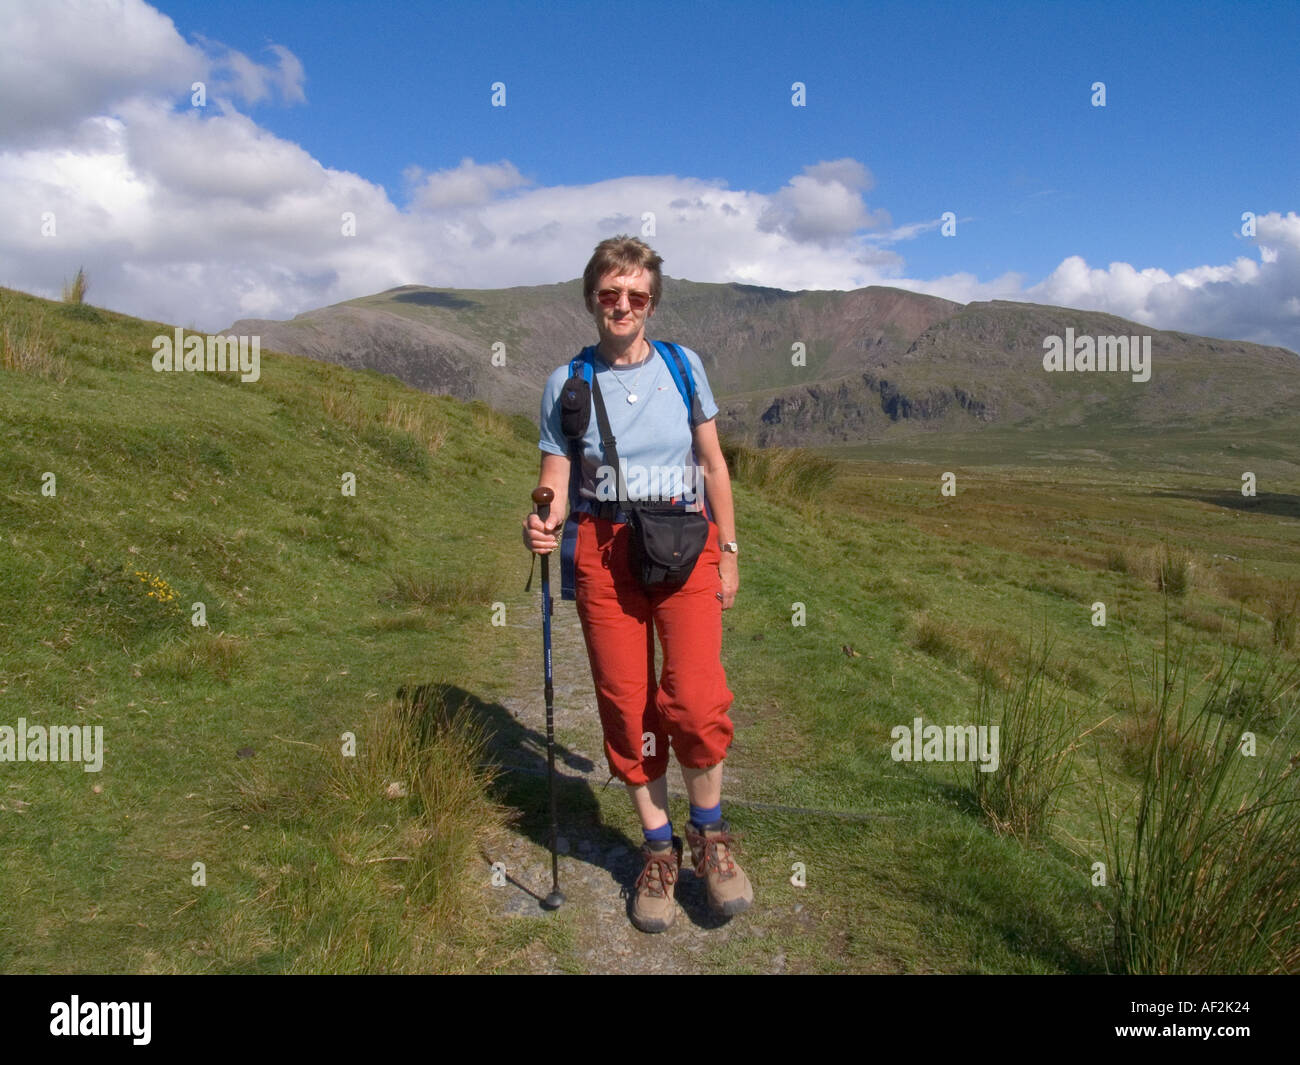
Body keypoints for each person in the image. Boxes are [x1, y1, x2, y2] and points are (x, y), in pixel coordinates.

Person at [522, 235, 752, 933]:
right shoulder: (567, 382)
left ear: (651, 302)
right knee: (626, 706)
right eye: (610, 293)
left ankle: (710, 836)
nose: (623, 306)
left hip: (686, 543)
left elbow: (712, 463)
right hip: (605, 550)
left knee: (696, 696)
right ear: (592, 296)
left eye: (637, 296)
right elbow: (555, 483)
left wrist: (731, 549)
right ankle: (658, 846)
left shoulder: (684, 366)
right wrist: (543, 518)